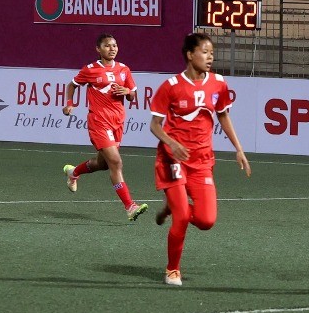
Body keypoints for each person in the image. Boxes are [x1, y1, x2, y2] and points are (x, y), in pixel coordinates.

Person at [149, 33, 252, 287]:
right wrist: (172, 143)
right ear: (190, 54)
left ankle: (172, 207)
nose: (210, 57)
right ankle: (172, 270)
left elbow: (223, 116)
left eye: (212, 53)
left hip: (202, 161)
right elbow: (155, 125)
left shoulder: (218, 83)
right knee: (183, 217)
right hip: (173, 160)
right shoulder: (171, 86)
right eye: (205, 52)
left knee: (206, 221)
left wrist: (239, 149)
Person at [61, 33, 149, 221]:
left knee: (102, 164)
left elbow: (133, 95)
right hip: (99, 121)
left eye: (114, 45)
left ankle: (73, 172)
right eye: (107, 45)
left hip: (117, 121)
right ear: (98, 49)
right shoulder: (90, 69)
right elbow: (72, 85)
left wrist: (127, 91)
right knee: (116, 162)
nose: (112, 48)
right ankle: (130, 206)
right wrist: (69, 103)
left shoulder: (124, 69)